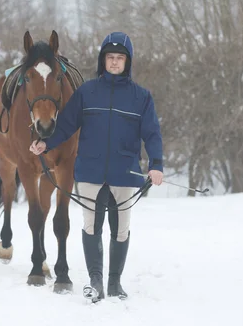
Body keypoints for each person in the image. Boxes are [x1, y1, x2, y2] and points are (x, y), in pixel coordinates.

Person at [29, 31, 163, 301]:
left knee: (121, 229)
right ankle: (96, 280)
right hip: (90, 172)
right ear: (103, 60)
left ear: (128, 62)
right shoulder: (87, 92)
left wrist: (156, 164)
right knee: (91, 226)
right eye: (110, 57)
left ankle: (114, 283)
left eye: (119, 58)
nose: (114, 62)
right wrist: (46, 143)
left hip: (124, 174)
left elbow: (152, 133)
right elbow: (66, 124)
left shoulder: (141, 97)